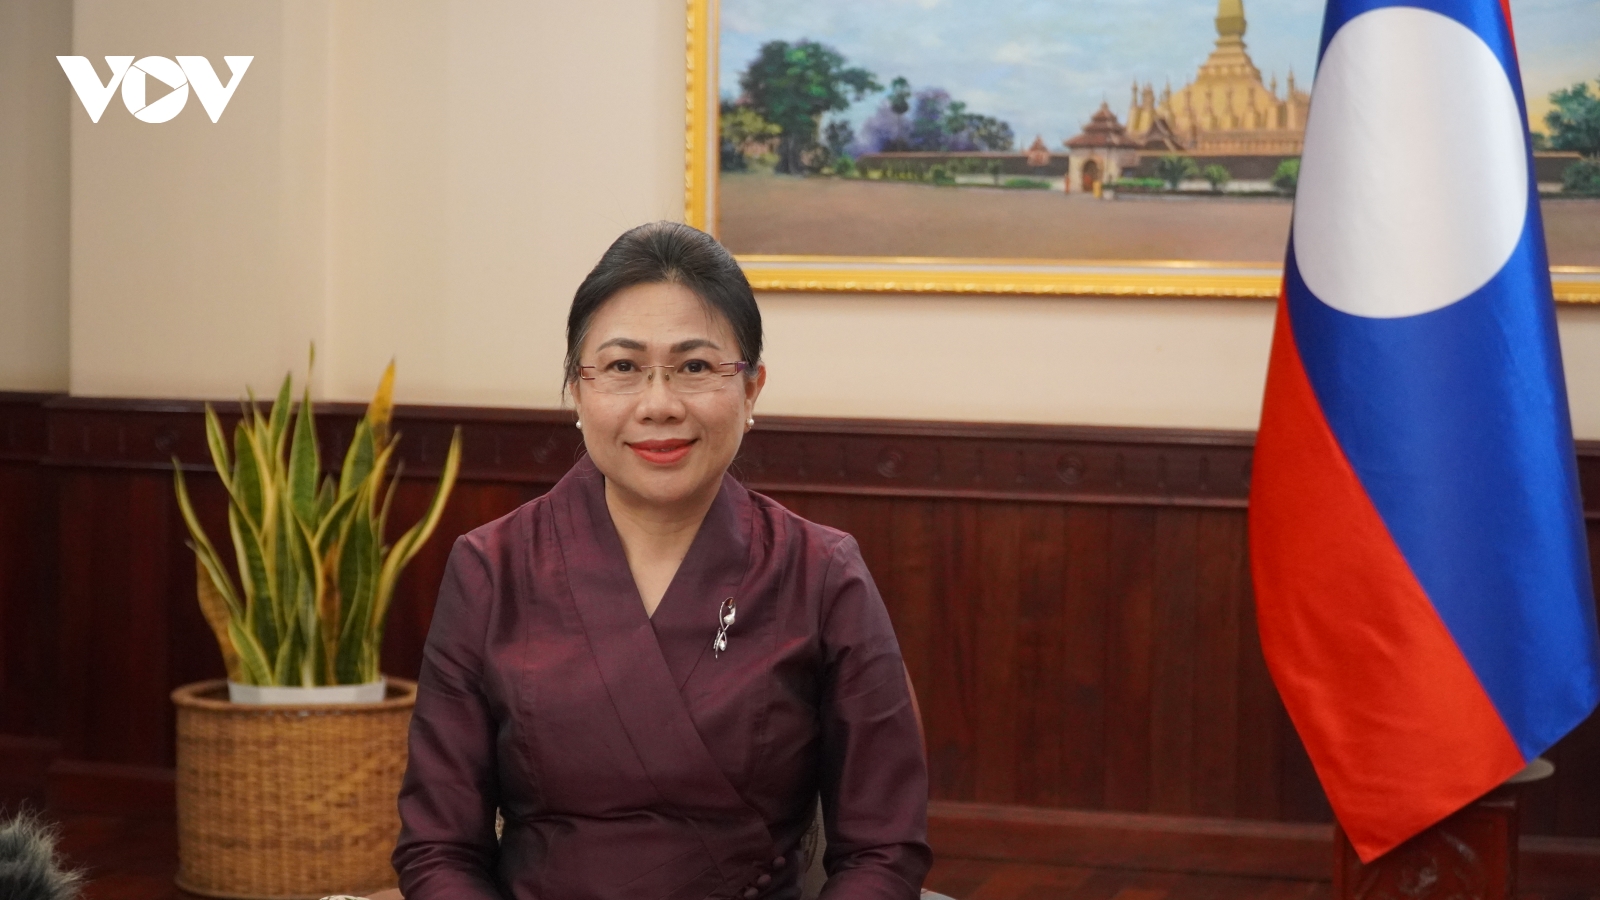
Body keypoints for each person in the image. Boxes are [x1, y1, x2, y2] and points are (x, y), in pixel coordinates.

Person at [392, 221, 932, 900]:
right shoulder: (491, 569)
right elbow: (438, 849)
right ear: (577, 389)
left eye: (695, 367)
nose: (659, 405)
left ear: (752, 389)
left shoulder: (821, 573)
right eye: (622, 368)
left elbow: (884, 850)